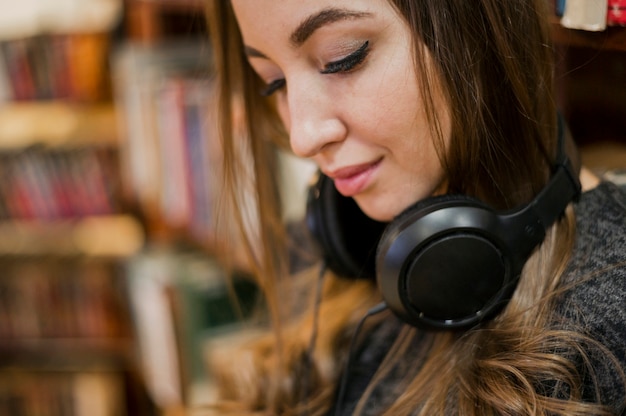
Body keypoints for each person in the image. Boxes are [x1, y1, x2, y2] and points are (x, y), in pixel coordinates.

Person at [204, 0, 626, 414]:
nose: (302, 137)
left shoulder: (608, 313)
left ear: (477, 22)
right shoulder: (332, 247)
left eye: (342, 58)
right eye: (273, 81)